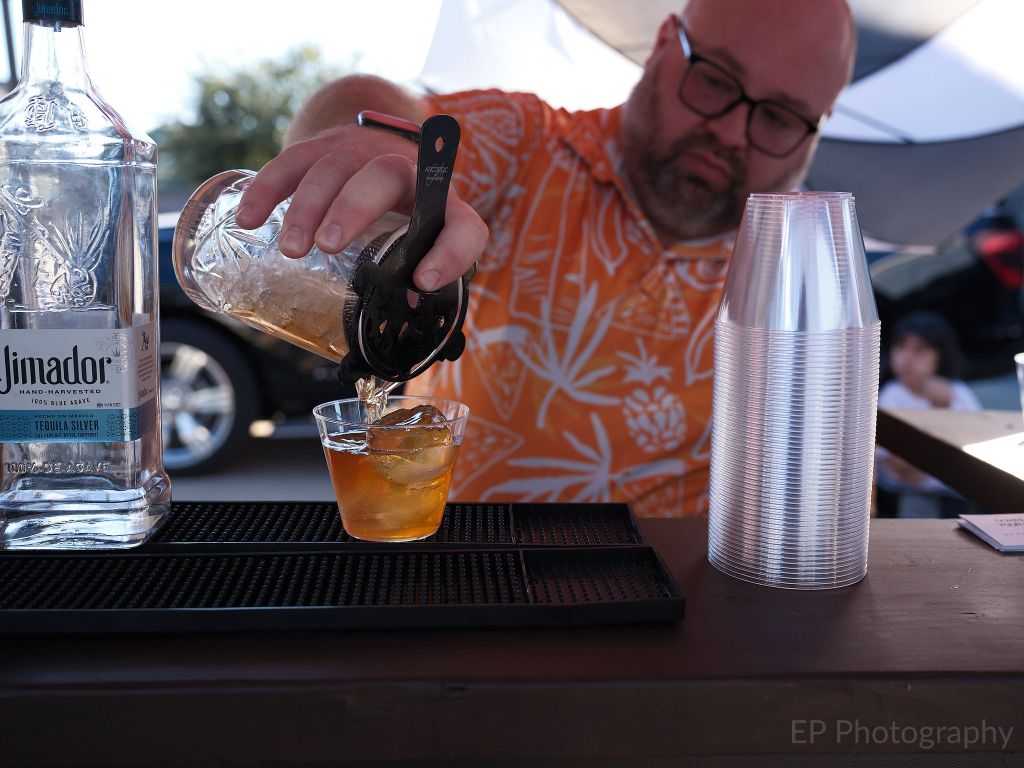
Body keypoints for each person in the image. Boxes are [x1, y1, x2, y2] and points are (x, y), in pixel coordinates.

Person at [236, 0, 858, 516]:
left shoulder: (799, 258)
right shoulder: (531, 143)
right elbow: (406, 131)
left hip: (698, 625)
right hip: (480, 587)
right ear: (666, 44)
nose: (728, 131)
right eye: (716, 80)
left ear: (820, 125)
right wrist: (378, 151)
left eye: (777, 117)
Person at [875, 311, 983, 518]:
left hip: (957, 497)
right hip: (907, 497)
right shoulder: (891, 396)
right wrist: (938, 415)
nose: (907, 358)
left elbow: (978, 461)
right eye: (901, 347)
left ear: (940, 355)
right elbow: (907, 473)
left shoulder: (959, 393)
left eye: (919, 350)